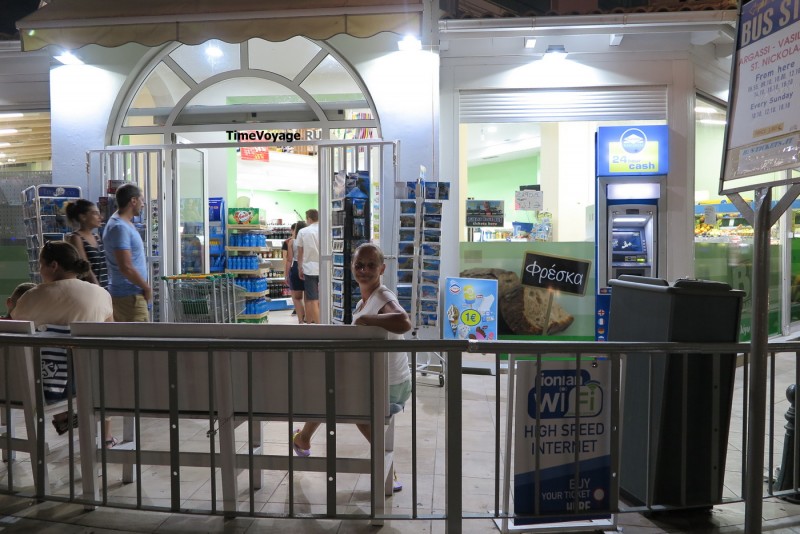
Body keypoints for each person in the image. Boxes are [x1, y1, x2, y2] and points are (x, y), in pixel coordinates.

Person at [292, 243, 412, 492]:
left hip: (390, 385)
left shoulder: (382, 296)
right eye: (359, 265)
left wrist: (367, 319)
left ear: (382, 268)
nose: (364, 270)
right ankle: (303, 439)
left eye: (370, 265)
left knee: (340, 400)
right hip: (381, 379)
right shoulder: (364, 301)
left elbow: (403, 321)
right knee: (330, 387)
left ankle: (388, 468)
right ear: (351, 267)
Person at [11, 241, 116, 445]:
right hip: (93, 379)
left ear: (54, 265)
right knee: (100, 372)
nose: (39, 271)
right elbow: (110, 330)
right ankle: (106, 436)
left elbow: (17, 323)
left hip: (46, 385)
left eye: (41, 265)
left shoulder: (34, 296)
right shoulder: (101, 294)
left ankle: (64, 417)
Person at [103, 183, 152, 322]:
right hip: (129, 299)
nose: (143, 205)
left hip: (131, 296)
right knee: (140, 341)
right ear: (133, 201)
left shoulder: (123, 223)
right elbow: (126, 267)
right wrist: (146, 287)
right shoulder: (119, 227)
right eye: (141, 200)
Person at [66, 199, 108, 288]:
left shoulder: (96, 237)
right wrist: (99, 290)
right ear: (83, 217)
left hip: (103, 289)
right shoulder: (76, 238)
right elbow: (86, 270)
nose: (100, 217)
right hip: (90, 291)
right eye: (95, 213)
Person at [296, 209, 320, 324]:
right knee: (324, 297)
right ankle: (314, 322)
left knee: (312, 299)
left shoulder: (303, 232)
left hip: (309, 269)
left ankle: (320, 326)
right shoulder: (326, 230)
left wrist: (300, 268)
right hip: (325, 269)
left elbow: (300, 253)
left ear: (309, 219)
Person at [284, 221, 307, 323]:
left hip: (296, 267)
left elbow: (289, 260)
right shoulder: (308, 240)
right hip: (308, 267)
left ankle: (301, 320)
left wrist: (286, 275)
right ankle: (309, 319)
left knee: (297, 298)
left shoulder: (292, 242)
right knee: (309, 297)